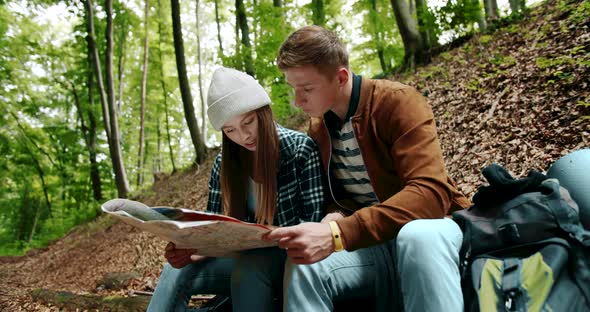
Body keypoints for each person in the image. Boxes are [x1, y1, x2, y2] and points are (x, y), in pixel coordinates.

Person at [261, 25, 472, 311]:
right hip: (375, 243)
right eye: (293, 89)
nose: (298, 101)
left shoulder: (397, 102)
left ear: (341, 78)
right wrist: (333, 217)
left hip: (436, 232)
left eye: (307, 89)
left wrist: (340, 231)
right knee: (304, 264)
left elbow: (431, 196)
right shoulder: (319, 130)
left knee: (417, 235)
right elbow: (340, 203)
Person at [147, 66, 325, 312]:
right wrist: (193, 251)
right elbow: (213, 229)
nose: (243, 136)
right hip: (241, 257)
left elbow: (313, 225)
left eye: (248, 122)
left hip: (288, 260)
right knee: (177, 268)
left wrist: (269, 236)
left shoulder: (300, 150)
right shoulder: (224, 163)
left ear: (263, 112)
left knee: (251, 267)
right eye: (230, 130)